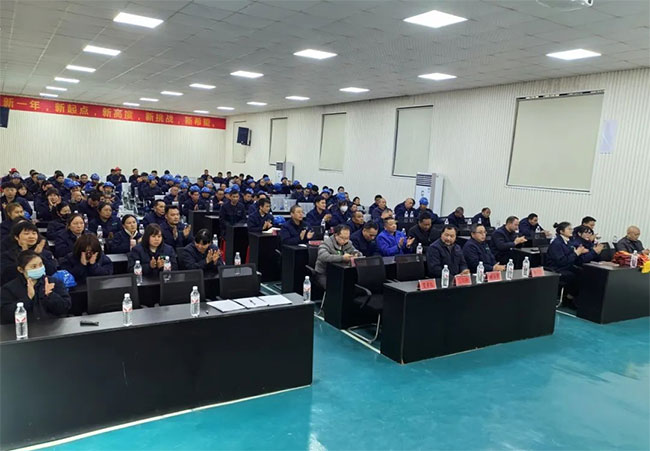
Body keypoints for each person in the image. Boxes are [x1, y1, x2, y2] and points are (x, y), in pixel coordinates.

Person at [1, 250, 71, 324]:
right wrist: (28, 298)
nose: (38, 268)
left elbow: (65, 308)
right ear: (20, 269)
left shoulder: (54, 282)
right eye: (33, 266)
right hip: (25, 327)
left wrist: (50, 295)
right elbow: (5, 315)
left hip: (52, 327)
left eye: (41, 264)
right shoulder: (9, 289)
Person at [546, 222, 589, 300]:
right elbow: (561, 261)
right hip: (556, 268)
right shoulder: (557, 243)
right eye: (569, 229)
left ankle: (575, 297)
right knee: (573, 276)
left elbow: (571, 256)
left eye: (571, 229)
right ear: (561, 231)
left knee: (584, 272)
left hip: (566, 266)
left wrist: (579, 252)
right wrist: (576, 253)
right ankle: (568, 297)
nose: (571, 230)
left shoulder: (568, 242)